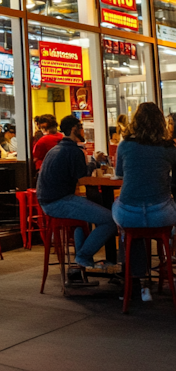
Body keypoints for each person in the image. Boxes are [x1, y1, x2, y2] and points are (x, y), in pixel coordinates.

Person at [37, 115, 117, 269]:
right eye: (81, 128)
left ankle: (81, 266)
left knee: (83, 220)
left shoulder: (56, 149)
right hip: (59, 201)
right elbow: (83, 177)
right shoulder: (74, 151)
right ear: (74, 129)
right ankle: (83, 256)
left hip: (47, 201)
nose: (83, 131)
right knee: (110, 220)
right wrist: (94, 161)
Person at [113, 103, 176, 279]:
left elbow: (119, 174)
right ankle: (166, 261)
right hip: (161, 214)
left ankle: (131, 274)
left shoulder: (125, 145)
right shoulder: (169, 148)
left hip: (129, 214)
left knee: (124, 218)